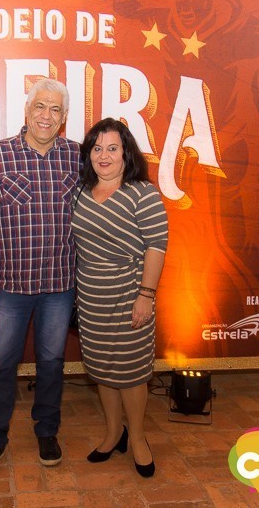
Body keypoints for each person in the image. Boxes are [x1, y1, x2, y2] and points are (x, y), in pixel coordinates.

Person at [0, 78, 81, 479]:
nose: (46, 116)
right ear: (27, 111)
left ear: (64, 118)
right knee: (3, 362)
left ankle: (47, 431)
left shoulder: (78, 157)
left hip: (60, 286)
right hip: (12, 287)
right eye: (40, 107)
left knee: (52, 362)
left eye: (55, 109)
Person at [71, 117, 168, 478]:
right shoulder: (80, 192)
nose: (104, 155)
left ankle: (138, 438)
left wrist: (146, 295)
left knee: (130, 372)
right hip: (91, 299)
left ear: (127, 153)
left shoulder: (142, 193)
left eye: (113, 148)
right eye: (97, 148)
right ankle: (114, 433)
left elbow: (157, 247)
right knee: (102, 370)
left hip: (130, 296)